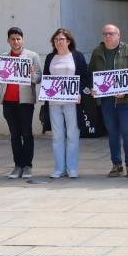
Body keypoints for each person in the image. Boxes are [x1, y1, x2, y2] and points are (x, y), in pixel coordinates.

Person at [89, 24, 128, 179]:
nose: (108, 36)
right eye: (105, 34)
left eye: (111, 33)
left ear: (119, 35)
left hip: (125, 101)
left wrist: (126, 88)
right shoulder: (97, 52)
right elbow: (91, 73)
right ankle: (116, 165)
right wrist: (92, 87)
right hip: (106, 101)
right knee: (112, 134)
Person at [0, 27, 42, 179]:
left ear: (23, 39)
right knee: (14, 134)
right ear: (8, 40)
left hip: (25, 101)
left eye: (18, 38)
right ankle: (17, 166)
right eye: (13, 39)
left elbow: (39, 78)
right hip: (8, 101)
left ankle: (27, 166)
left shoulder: (32, 56)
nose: (16, 41)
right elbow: (0, 79)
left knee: (27, 133)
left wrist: (32, 73)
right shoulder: (3, 57)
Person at [43, 28, 88, 179]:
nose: (58, 42)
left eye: (61, 39)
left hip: (72, 102)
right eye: (56, 40)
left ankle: (72, 168)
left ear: (68, 41)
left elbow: (84, 76)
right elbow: (46, 77)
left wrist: (80, 91)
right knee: (57, 136)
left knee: (72, 134)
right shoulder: (50, 57)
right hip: (54, 102)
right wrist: (45, 92)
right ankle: (59, 168)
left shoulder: (77, 56)